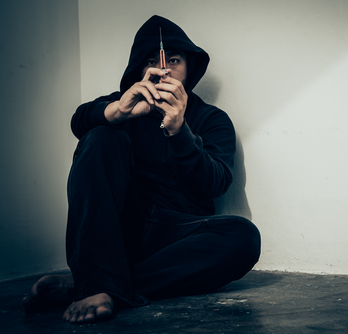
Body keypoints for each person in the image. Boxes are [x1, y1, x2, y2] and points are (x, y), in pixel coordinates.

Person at [23, 15, 261, 323]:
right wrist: (119, 110)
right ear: (140, 69)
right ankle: (100, 280)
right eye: (154, 61)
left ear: (189, 67)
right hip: (116, 233)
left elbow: (214, 184)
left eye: (174, 60)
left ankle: (96, 285)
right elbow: (80, 121)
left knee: (243, 236)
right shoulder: (125, 105)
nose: (164, 69)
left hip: (172, 238)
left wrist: (180, 132)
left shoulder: (211, 119)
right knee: (100, 134)